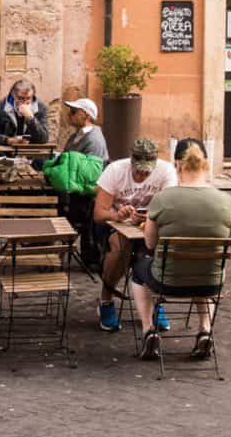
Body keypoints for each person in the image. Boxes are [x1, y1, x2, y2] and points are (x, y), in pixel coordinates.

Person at [131, 138, 231, 360]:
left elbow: (150, 244)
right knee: (202, 263)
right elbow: (229, 238)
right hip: (210, 280)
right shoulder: (227, 201)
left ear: (176, 165)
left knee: (138, 269)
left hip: (168, 280)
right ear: (206, 165)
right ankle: (205, 330)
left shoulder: (163, 199)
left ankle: (148, 329)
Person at [92, 137, 178, 332]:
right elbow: (98, 213)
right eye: (138, 170)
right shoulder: (115, 170)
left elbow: (171, 208)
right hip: (117, 224)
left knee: (159, 248)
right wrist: (118, 214)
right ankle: (106, 300)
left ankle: (156, 302)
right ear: (131, 162)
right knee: (120, 246)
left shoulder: (166, 172)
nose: (141, 175)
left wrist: (151, 217)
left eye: (146, 171)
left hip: (150, 225)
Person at [61, 97, 109, 268]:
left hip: (84, 195)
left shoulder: (94, 140)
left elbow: (90, 173)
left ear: (86, 115)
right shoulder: (76, 135)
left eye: (74, 112)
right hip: (74, 188)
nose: (70, 114)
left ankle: (91, 259)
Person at [0, 79, 50, 146]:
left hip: (30, 153)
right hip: (6, 153)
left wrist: (31, 119)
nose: (24, 102)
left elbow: (44, 139)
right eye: (20, 98)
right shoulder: (1, 106)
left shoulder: (40, 107)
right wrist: (8, 140)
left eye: (28, 98)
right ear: (13, 95)